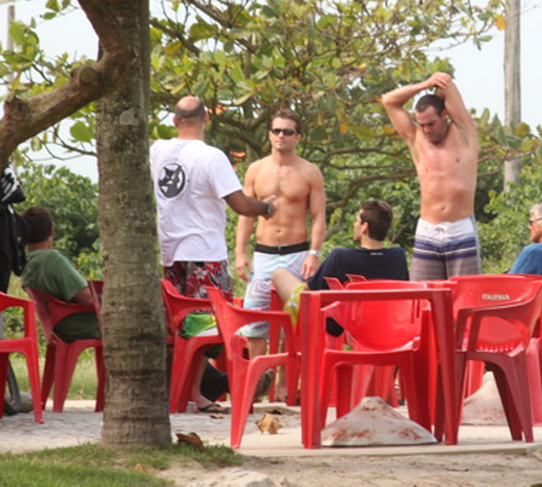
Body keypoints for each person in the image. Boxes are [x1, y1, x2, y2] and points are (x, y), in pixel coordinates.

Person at [150, 95, 277, 413]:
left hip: (170, 255)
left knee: (182, 328)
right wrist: (265, 207)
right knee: (209, 328)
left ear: (175, 121)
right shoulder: (212, 157)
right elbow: (239, 204)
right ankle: (198, 394)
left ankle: (195, 389)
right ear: (207, 119)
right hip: (204, 253)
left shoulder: (157, 151)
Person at [235, 109, 326, 361]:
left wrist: (314, 254)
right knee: (255, 322)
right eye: (277, 130)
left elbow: (319, 216)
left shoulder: (309, 172)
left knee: (296, 321)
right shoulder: (256, 169)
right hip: (263, 252)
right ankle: (259, 378)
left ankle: (286, 384)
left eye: (288, 131)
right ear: (269, 134)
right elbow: (246, 213)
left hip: (296, 253)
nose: (281, 136)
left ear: (297, 137)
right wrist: (240, 252)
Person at [381, 72, 481, 281]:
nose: (426, 129)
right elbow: (389, 101)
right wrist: (424, 84)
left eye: (431, 123)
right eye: (422, 124)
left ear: (444, 114)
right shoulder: (415, 136)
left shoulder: (464, 132)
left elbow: (446, 85)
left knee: (463, 297)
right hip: (428, 228)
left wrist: (437, 82)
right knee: (423, 298)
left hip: (460, 227)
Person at [271, 200, 409, 336]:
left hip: (343, 323)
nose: (354, 225)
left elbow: (311, 293)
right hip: (388, 324)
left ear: (364, 227)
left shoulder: (341, 256)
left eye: (357, 221)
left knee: (279, 274)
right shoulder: (398, 256)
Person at [20, 206, 101, 343]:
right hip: (79, 325)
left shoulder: (26, 262)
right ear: (52, 231)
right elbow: (87, 299)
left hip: (56, 327)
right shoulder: (52, 259)